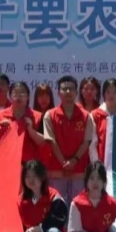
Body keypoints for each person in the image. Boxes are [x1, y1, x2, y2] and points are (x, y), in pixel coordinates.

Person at [43, 75, 95, 204]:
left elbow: (87, 141)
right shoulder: (50, 115)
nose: (68, 92)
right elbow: (51, 141)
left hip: (79, 171)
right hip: (56, 171)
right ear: (58, 93)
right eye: (64, 89)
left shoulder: (86, 116)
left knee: (78, 207)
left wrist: (73, 161)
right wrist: (64, 163)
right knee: (57, 207)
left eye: (71, 89)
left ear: (76, 92)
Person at [0, 82, 47, 163]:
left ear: (28, 97)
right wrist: (0, 130)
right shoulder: (0, 115)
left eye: (22, 93)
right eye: (15, 93)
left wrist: (31, 131)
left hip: (30, 163)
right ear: (10, 97)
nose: (19, 96)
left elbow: (43, 143)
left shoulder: (38, 116)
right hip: (7, 161)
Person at [89, 78, 116, 163]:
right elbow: (92, 144)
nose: (111, 95)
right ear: (103, 94)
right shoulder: (95, 115)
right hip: (101, 164)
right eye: (108, 92)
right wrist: (96, 164)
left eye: (115, 92)